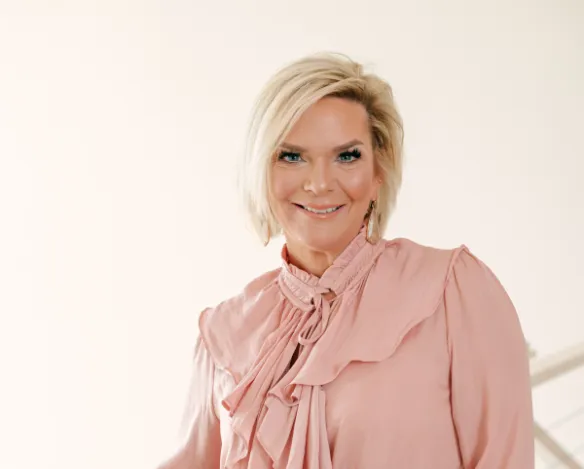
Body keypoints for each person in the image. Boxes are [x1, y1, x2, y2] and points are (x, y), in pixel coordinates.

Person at [157, 51, 534, 468]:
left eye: (347, 156)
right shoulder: (223, 334)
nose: (319, 183)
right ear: (261, 171)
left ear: (378, 172)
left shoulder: (453, 292)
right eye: (292, 156)